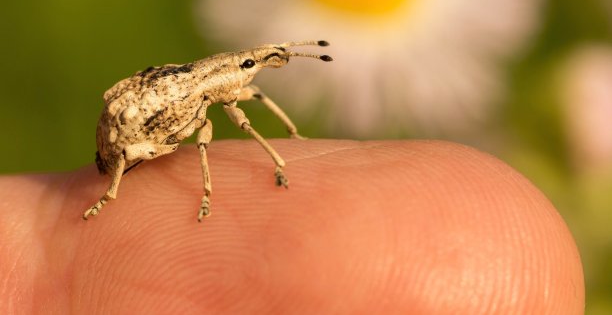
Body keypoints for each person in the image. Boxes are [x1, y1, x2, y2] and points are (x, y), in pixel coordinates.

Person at [0, 140, 584, 313]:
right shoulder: (197, 103)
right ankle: (121, 196)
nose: (252, 77)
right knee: (191, 149)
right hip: (131, 129)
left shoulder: (225, 87)